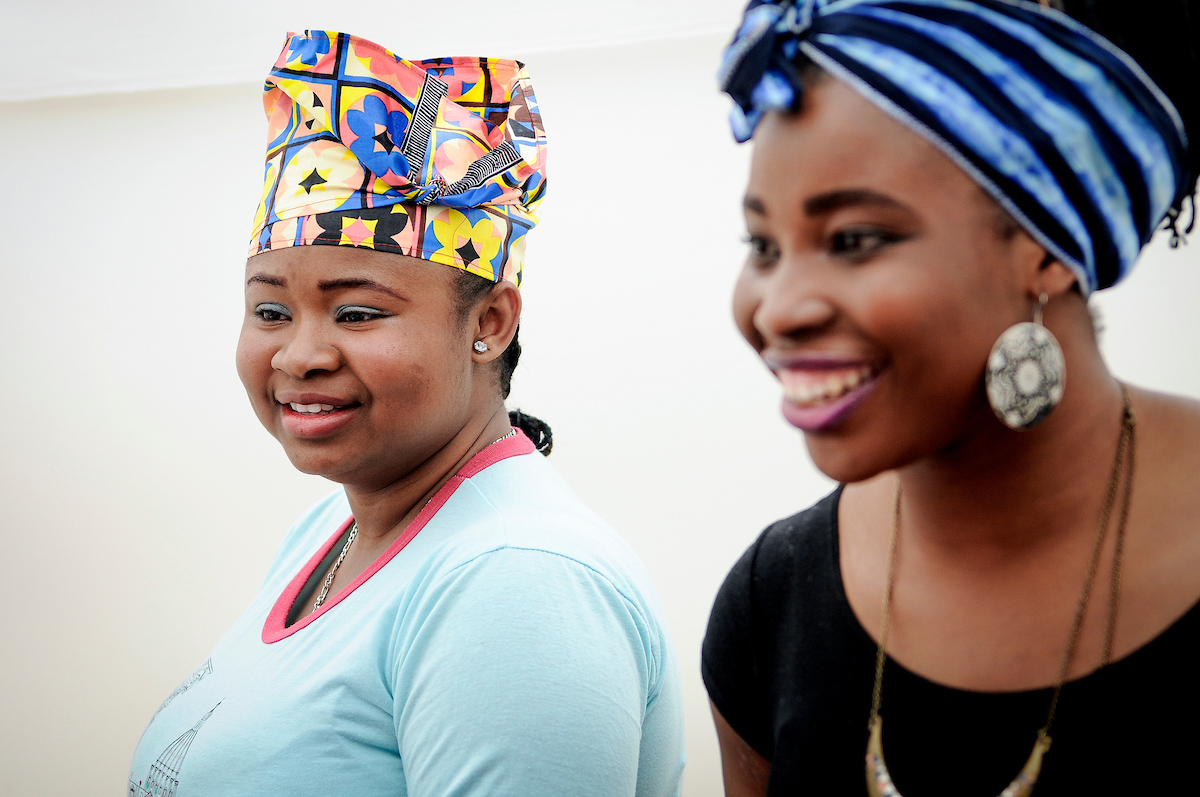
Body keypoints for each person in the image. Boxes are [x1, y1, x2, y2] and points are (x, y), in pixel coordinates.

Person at [128, 31, 685, 797]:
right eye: (269, 309)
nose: (299, 355)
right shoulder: (332, 528)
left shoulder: (515, 581)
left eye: (356, 312)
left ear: (489, 322)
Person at [701, 1, 1200, 795]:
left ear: (1044, 247)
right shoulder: (771, 603)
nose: (778, 308)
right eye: (763, 245)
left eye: (854, 239)